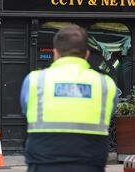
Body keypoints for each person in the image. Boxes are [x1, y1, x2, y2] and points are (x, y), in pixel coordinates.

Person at [20, 25, 118, 172]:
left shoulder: (34, 80)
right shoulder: (106, 84)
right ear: (86, 54)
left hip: (43, 163)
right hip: (90, 164)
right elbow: (109, 114)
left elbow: (26, 111)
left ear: (55, 53)